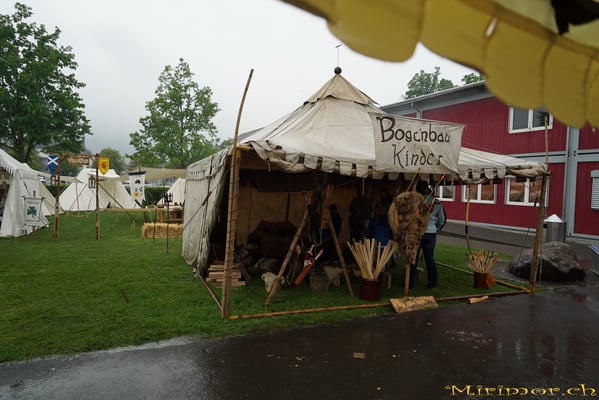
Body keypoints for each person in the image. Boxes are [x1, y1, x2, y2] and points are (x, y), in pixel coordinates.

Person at [410, 183, 446, 289]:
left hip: (417, 232)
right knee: (429, 259)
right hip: (431, 234)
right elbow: (442, 219)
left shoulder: (415, 202)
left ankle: (410, 283)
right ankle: (432, 283)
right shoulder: (437, 203)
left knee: (413, 258)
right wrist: (435, 228)